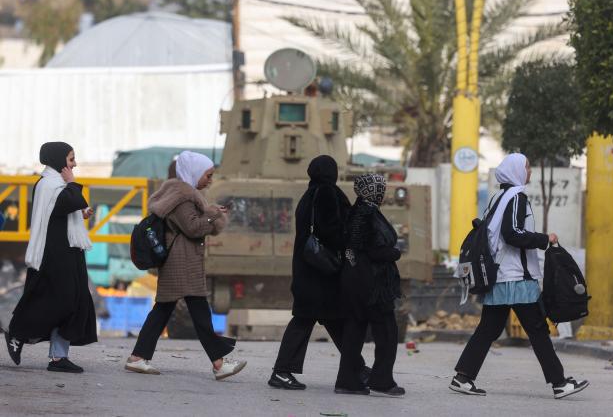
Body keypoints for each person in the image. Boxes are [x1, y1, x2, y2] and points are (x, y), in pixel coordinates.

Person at [449, 153, 589, 399]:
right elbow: (512, 233)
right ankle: (559, 383)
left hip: (501, 277)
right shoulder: (516, 198)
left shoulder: (499, 197)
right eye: (527, 166)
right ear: (516, 170)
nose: (530, 170)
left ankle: (463, 377)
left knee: (488, 330)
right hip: (515, 277)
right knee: (537, 330)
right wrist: (545, 239)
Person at [125, 151, 246, 380]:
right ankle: (219, 364)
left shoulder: (182, 195)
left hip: (181, 261)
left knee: (165, 310)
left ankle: (138, 357)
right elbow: (193, 228)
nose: (210, 180)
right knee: (197, 312)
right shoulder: (183, 197)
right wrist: (211, 214)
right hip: (181, 262)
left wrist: (213, 216)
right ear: (194, 173)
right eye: (207, 175)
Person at [268, 155, 368, 390]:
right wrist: (350, 239)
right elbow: (330, 230)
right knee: (304, 320)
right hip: (321, 273)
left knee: (335, 320)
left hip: (311, 270)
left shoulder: (308, 195)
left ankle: (357, 368)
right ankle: (281, 371)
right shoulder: (326, 193)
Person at [5, 142, 97, 373]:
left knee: (74, 302)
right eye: (70, 159)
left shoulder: (57, 184)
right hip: (54, 253)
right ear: (58, 160)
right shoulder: (49, 184)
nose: (74, 164)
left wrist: (81, 213)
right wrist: (73, 183)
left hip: (69, 250)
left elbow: (66, 208)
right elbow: (70, 201)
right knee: (59, 302)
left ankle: (58, 358)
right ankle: (18, 333)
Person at [335, 173, 405, 398]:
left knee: (355, 330)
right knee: (386, 331)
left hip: (356, 281)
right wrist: (393, 253)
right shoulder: (366, 213)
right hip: (371, 283)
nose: (382, 192)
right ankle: (381, 381)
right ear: (370, 191)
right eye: (378, 188)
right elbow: (370, 249)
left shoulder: (358, 210)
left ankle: (347, 381)